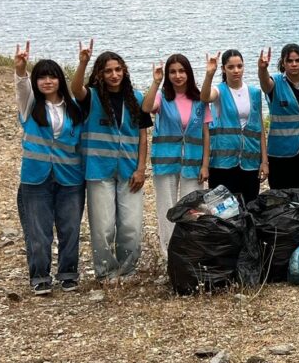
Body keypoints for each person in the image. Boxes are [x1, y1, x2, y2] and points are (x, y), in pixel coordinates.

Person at [70, 40, 151, 282]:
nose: (114, 75)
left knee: (131, 226)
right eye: (108, 71)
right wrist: (83, 62)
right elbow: (76, 90)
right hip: (99, 170)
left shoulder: (136, 98)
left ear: (124, 71)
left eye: (118, 70)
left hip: (129, 172)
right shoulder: (91, 97)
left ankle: (128, 270)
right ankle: (105, 272)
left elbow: (143, 135)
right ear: (99, 74)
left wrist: (141, 169)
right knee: (103, 226)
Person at [14, 42, 85, 295]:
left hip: (70, 178)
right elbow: (21, 87)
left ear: (59, 80)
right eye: (41, 77)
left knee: (70, 229)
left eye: (51, 76)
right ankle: (40, 276)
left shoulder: (74, 108)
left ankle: (68, 273)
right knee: (38, 231)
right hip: (36, 178)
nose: (46, 81)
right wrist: (21, 68)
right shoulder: (30, 105)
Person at [141, 54, 211, 259]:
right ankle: (169, 254)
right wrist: (155, 82)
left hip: (193, 163)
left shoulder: (200, 99)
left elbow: (206, 133)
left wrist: (205, 165)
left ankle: (190, 251)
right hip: (166, 162)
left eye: (182, 71)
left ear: (188, 73)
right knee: (167, 208)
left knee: (192, 208)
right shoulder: (162, 97)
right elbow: (145, 108)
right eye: (173, 72)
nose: (178, 76)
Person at [201, 50, 267, 204]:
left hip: (250, 163)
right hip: (222, 164)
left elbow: (260, 128)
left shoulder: (254, 93)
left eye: (239, 66)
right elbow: (205, 97)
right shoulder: (219, 91)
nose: (236, 70)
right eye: (231, 67)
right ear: (224, 69)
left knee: (249, 207)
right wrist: (209, 74)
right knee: (223, 211)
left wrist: (264, 161)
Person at [258, 44, 299, 190]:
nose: (294, 64)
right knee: (281, 194)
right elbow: (265, 85)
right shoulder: (275, 83)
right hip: (280, 152)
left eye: (298, 60)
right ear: (283, 63)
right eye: (289, 61)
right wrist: (262, 69)